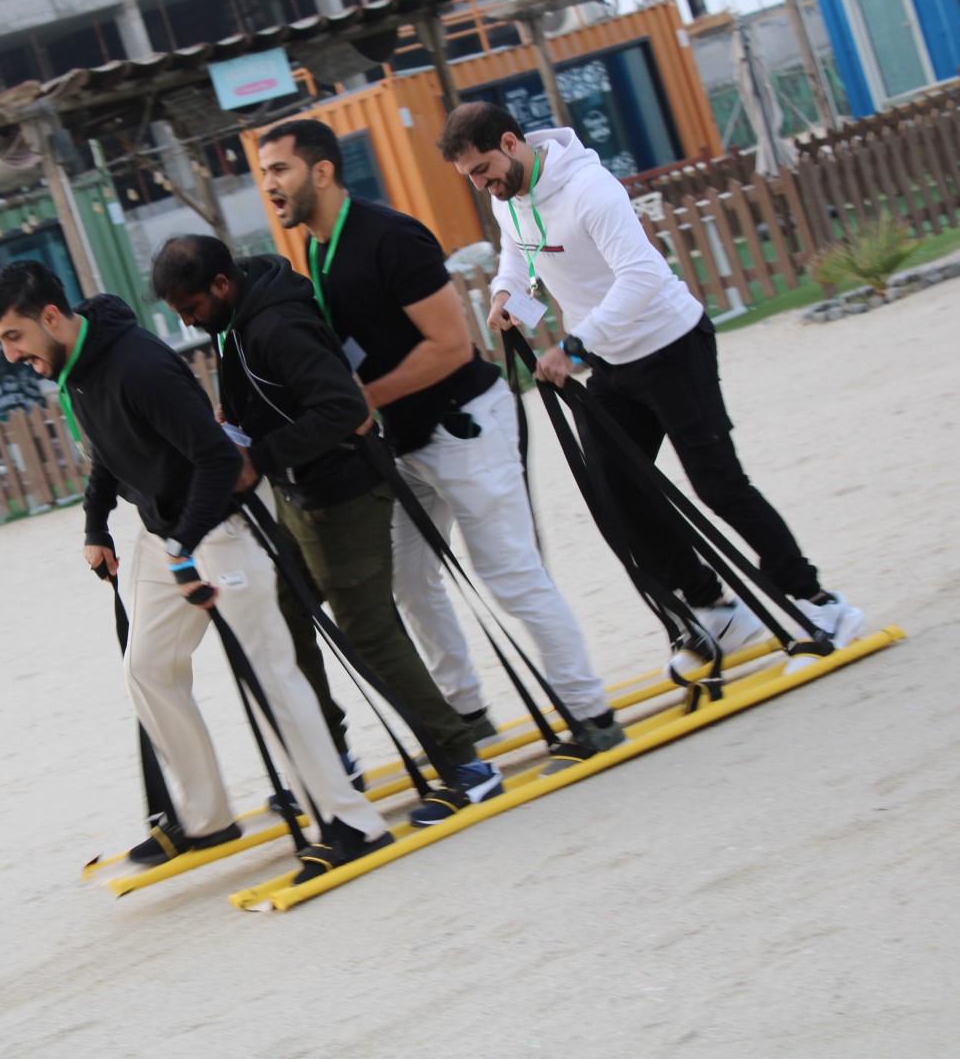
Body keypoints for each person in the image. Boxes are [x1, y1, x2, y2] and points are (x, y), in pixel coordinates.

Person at [0, 260, 393, 883]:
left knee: (270, 677)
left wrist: (185, 548)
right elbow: (107, 451)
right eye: (2, 342)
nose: (11, 354)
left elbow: (215, 460)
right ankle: (205, 818)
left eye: (15, 337)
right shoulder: (78, 369)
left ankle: (349, 822)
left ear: (52, 318)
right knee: (147, 668)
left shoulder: (138, 367)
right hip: (163, 535)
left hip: (218, 530)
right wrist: (96, 526)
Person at [437, 101, 864, 670]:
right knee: (616, 492)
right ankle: (716, 612)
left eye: (482, 169)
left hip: (672, 348)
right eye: (469, 176)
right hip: (612, 363)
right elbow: (517, 255)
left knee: (719, 485)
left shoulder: (590, 189)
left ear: (511, 144)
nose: (479, 184)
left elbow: (641, 275)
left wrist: (574, 345)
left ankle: (819, 604)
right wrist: (503, 295)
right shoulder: (508, 198)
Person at [254, 118, 625, 756]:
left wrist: (363, 400)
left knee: (510, 575)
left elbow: (451, 346)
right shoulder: (314, 251)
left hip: (465, 425)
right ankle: (467, 713)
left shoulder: (390, 236)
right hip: (401, 443)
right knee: (410, 580)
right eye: (264, 173)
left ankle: (591, 714)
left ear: (322, 171)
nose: (269, 185)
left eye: (279, 170)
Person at [150, 234, 503, 826]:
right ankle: (331, 756)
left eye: (191, 308)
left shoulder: (276, 324)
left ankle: (466, 764)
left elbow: (345, 409)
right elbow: (275, 400)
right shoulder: (235, 319)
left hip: (346, 490)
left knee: (368, 629)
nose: (187, 321)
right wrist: (237, 422)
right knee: (287, 613)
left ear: (221, 284)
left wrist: (260, 455)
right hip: (298, 492)